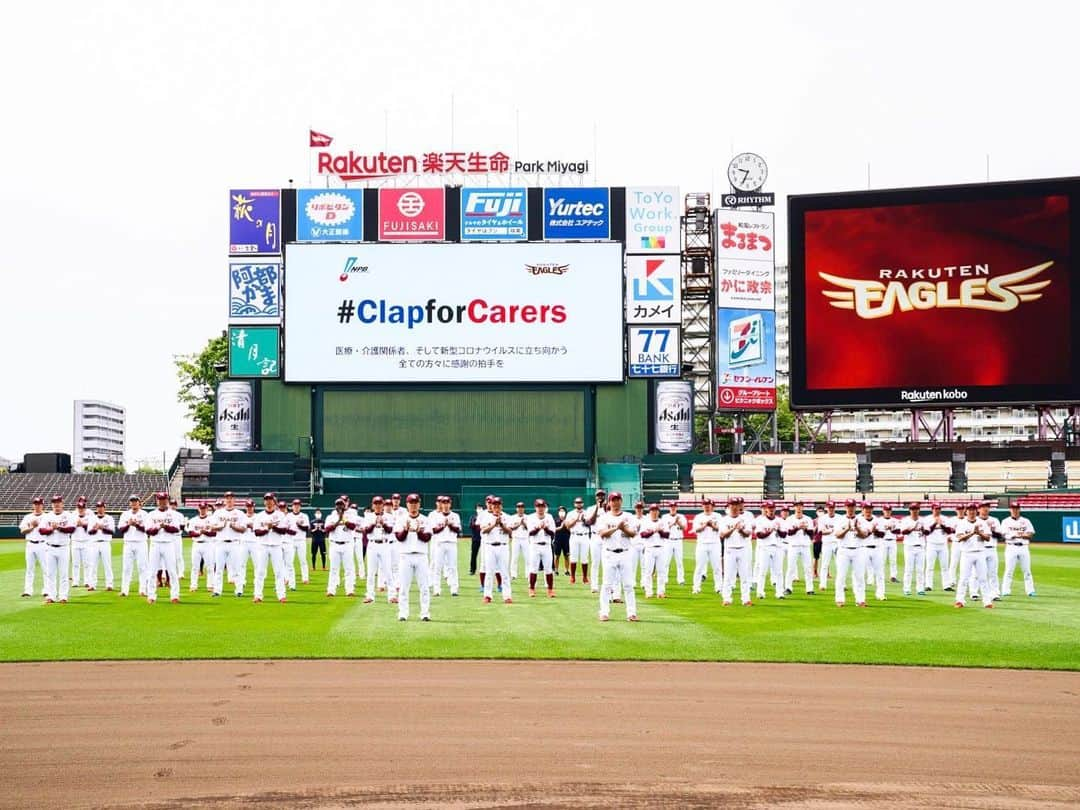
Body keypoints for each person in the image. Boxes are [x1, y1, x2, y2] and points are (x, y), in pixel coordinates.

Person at [596, 492, 638, 622]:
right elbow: (603, 533)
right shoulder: (604, 517)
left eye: (618, 499)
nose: (615, 502)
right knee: (607, 584)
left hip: (625, 552)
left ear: (621, 501)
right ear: (609, 502)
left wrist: (623, 529)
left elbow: (633, 533)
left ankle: (631, 613)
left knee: (628, 585)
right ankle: (604, 612)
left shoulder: (628, 516)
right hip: (609, 552)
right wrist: (617, 527)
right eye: (613, 500)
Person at [393, 493, 433, 621]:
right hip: (405, 555)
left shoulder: (425, 519)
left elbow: (427, 538)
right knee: (404, 587)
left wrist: (418, 531)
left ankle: (425, 613)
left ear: (419, 504)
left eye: (415, 502)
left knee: (424, 587)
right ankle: (403, 613)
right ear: (407, 504)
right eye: (411, 503)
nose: (413, 505)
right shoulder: (401, 519)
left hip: (421, 555)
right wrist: (406, 529)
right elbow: (399, 538)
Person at [953, 503, 993, 609]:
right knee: (963, 578)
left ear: (976, 511)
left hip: (980, 552)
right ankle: (960, 600)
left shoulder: (982, 523)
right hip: (967, 553)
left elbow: (988, 538)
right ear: (966, 511)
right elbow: (960, 538)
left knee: (983, 578)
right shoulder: (962, 523)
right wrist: (972, 533)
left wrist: (979, 533)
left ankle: (987, 601)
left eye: (974, 510)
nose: (972, 512)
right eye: (970, 510)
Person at [250, 492, 288, 603]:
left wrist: (273, 527)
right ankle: (258, 595)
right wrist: (267, 529)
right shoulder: (260, 515)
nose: (268, 501)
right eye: (266, 499)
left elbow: (284, 530)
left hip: (276, 546)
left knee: (279, 572)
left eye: (270, 499)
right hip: (262, 546)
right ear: (264, 501)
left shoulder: (280, 515)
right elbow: (256, 532)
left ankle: (281, 595)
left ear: (274, 501)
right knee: (260, 571)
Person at [145, 492, 182, 604]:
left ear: (167, 500)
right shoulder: (151, 514)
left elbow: (176, 529)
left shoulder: (173, 514)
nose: (162, 501)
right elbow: (148, 530)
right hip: (155, 543)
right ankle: (151, 595)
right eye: (160, 499)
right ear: (157, 501)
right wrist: (158, 527)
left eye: (164, 499)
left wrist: (165, 526)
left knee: (172, 571)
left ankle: (175, 595)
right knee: (152, 571)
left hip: (169, 543)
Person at [39, 495, 75, 604]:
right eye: (54, 502)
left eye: (58, 502)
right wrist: (51, 529)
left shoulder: (68, 515)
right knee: (50, 573)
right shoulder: (47, 516)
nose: (56, 504)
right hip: (50, 547)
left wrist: (58, 528)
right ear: (52, 504)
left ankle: (63, 596)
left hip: (63, 548)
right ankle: (51, 596)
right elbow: (41, 530)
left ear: (62, 503)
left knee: (64, 573)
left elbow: (72, 528)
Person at [479, 496, 513, 604]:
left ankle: (507, 596)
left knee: (505, 572)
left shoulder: (507, 517)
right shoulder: (486, 517)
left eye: (498, 505)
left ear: (501, 506)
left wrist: (502, 525)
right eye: (494, 505)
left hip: (503, 546)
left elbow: (510, 531)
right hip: (490, 546)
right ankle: (487, 595)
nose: (496, 507)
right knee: (489, 572)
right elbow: (483, 531)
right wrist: (494, 524)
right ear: (492, 506)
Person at [720, 497, 753, 606]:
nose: (734, 507)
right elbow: (722, 535)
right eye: (732, 505)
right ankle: (727, 598)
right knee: (728, 576)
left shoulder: (745, 519)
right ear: (728, 506)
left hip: (742, 549)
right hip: (730, 549)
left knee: (745, 575)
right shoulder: (724, 519)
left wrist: (741, 530)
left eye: (736, 505)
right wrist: (733, 528)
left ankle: (746, 599)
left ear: (739, 506)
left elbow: (748, 534)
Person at [833, 499, 866, 607]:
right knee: (841, 576)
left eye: (852, 506)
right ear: (845, 507)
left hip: (858, 549)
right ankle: (840, 599)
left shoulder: (861, 519)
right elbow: (837, 535)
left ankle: (860, 600)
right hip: (844, 550)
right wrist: (847, 529)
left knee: (859, 576)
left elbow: (864, 535)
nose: (850, 508)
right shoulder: (840, 519)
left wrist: (857, 528)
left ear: (855, 507)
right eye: (848, 506)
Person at [1000, 500, 1036, 597]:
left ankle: (1030, 590)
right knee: (1009, 570)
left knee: (1027, 570)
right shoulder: (1005, 521)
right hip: (1011, 547)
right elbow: (1004, 535)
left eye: (1016, 509)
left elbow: (1031, 533)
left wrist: (1022, 535)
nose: (1015, 510)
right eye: (1013, 509)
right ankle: (1005, 590)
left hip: (1023, 547)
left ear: (1019, 510)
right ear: (1010, 510)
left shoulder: (1025, 521)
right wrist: (1016, 534)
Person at [118, 494, 150, 598]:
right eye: (132, 501)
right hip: (128, 543)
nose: (133, 503)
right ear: (129, 503)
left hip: (141, 542)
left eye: (135, 501)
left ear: (139, 502)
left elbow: (147, 529)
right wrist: (128, 524)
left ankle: (143, 590)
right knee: (127, 568)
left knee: (142, 567)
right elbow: (121, 530)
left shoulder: (145, 514)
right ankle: (124, 590)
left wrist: (136, 525)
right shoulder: (125, 514)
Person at [429, 495, 461, 597]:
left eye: (447, 503)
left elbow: (458, 530)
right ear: (441, 504)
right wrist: (443, 525)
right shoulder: (436, 516)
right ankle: (436, 589)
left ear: (450, 504)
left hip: (451, 543)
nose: (445, 505)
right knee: (437, 567)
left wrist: (450, 525)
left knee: (453, 567)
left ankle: (454, 589)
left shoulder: (455, 515)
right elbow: (433, 530)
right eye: (444, 503)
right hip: (440, 543)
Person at [325, 497, 357, 598]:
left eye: (341, 505)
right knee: (334, 568)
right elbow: (327, 529)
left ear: (344, 506)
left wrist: (344, 519)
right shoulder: (331, 516)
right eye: (338, 505)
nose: (339, 507)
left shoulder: (350, 515)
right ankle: (331, 590)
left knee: (349, 568)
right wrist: (338, 521)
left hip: (347, 544)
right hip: (334, 544)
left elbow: (353, 526)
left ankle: (350, 590)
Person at [363, 496, 393, 603]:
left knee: (388, 571)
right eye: (376, 503)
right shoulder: (368, 516)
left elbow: (390, 530)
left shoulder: (389, 516)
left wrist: (383, 523)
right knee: (371, 572)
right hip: (372, 544)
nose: (378, 505)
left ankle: (392, 595)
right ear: (373, 505)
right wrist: (374, 523)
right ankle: (370, 595)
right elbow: (366, 531)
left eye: (380, 503)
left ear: (383, 504)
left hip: (385, 544)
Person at [753, 500, 784, 600]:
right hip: (764, 547)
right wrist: (770, 531)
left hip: (777, 547)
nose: (771, 510)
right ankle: (760, 592)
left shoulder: (779, 520)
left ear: (775, 509)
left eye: (772, 508)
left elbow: (784, 535)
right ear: (766, 509)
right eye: (769, 508)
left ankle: (779, 593)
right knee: (762, 571)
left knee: (778, 571)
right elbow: (759, 535)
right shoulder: (760, 520)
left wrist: (778, 529)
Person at [526, 499, 557, 598]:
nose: (540, 508)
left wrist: (546, 528)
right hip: (535, 545)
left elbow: (553, 533)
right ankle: (531, 588)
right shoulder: (531, 517)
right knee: (533, 568)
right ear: (535, 507)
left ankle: (550, 589)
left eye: (542, 506)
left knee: (548, 569)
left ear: (545, 507)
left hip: (546, 545)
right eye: (538, 506)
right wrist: (538, 528)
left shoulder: (549, 517)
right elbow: (530, 533)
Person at [691, 498, 723, 595]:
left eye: (708, 505)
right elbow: (695, 530)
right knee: (699, 567)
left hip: (715, 543)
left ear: (712, 506)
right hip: (702, 543)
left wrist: (712, 526)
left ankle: (719, 587)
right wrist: (705, 525)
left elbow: (721, 530)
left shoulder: (718, 516)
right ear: (702, 506)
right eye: (705, 505)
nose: (707, 506)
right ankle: (696, 587)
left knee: (717, 567)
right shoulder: (698, 517)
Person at [783, 501, 814, 596]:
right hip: (793, 545)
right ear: (794, 508)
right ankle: (788, 587)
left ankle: (809, 589)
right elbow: (789, 533)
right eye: (797, 506)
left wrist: (805, 529)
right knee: (791, 568)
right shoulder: (790, 519)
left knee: (808, 568)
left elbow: (811, 534)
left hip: (805, 545)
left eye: (800, 506)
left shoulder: (808, 519)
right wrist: (798, 527)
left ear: (803, 507)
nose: (799, 508)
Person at [639, 503, 670, 599]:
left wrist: (659, 530)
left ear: (658, 512)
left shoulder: (663, 522)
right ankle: (649, 592)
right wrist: (653, 531)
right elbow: (643, 535)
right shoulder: (646, 522)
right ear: (650, 512)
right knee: (648, 571)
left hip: (661, 548)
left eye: (656, 510)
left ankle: (661, 592)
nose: (654, 512)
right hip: (649, 548)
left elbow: (667, 535)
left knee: (661, 571)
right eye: (652, 510)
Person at [19, 497, 48, 598]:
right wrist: (32, 527)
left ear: (42, 505)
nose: (37, 506)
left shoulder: (47, 517)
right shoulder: (27, 517)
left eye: (39, 504)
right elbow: (22, 531)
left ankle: (46, 590)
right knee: (29, 569)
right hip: (30, 544)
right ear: (33, 505)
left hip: (43, 544)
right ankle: (28, 590)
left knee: (46, 568)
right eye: (35, 504)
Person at [974, 501, 1001, 601]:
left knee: (993, 572)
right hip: (979, 549)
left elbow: (1000, 535)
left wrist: (991, 530)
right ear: (978, 509)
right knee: (976, 573)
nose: (985, 509)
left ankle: (994, 593)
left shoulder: (995, 520)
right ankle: (974, 592)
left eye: (987, 507)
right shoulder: (974, 520)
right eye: (983, 507)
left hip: (992, 548)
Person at [923, 502, 953, 592]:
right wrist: (935, 523)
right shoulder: (927, 519)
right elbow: (926, 532)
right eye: (935, 509)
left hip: (943, 545)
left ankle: (946, 585)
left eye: (938, 509)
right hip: (931, 544)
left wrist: (942, 524)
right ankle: (928, 585)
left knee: (945, 566)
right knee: (929, 566)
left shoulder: (945, 519)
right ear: (932, 509)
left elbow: (949, 531)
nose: (937, 510)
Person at [87, 500, 116, 591]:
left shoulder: (109, 518)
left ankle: (109, 584)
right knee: (92, 565)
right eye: (98, 507)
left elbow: (112, 531)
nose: (100, 509)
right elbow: (89, 532)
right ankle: (92, 584)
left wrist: (102, 527)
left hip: (105, 542)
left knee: (107, 564)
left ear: (104, 508)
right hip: (94, 543)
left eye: (101, 507)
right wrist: (95, 529)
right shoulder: (92, 518)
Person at [860, 501, 886, 601]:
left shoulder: (878, 520)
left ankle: (880, 593)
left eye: (869, 508)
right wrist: (870, 531)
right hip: (863, 548)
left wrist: (874, 530)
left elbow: (882, 534)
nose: (868, 510)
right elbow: (859, 535)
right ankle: (861, 595)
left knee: (880, 573)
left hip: (877, 548)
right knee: (861, 573)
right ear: (863, 509)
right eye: (866, 508)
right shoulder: (859, 520)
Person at [898, 502, 926, 596]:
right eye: (913, 509)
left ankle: (920, 589)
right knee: (908, 569)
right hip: (909, 547)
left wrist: (923, 530)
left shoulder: (923, 520)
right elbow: (903, 532)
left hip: (920, 546)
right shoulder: (905, 520)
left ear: (919, 510)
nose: (914, 511)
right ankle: (907, 589)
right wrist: (911, 528)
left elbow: (927, 532)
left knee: (920, 570)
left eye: (916, 509)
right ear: (910, 510)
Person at [583, 489, 607, 594]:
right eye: (598, 496)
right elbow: (589, 522)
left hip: (606, 537)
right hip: (595, 537)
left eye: (602, 495)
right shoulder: (591, 508)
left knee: (607, 563)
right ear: (595, 497)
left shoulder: (609, 508)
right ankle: (594, 585)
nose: (600, 497)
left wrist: (604, 508)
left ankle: (607, 585)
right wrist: (597, 508)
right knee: (595, 562)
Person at [187, 501, 213, 593]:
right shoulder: (194, 520)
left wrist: (205, 532)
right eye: (201, 508)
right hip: (197, 543)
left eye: (204, 508)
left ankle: (210, 585)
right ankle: (193, 585)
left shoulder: (211, 519)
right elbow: (190, 533)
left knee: (210, 566)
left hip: (208, 544)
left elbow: (214, 533)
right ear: (198, 509)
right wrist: (198, 533)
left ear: (207, 509)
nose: (203, 510)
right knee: (195, 566)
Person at [659, 501, 687, 586]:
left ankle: (681, 579)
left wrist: (678, 522)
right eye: (671, 506)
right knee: (666, 561)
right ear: (669, 508)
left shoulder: (681, 516)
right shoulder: (665, 517)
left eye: (674, 506)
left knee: (679, 562)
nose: (673, 508)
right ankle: (664, 579)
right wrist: (674, 522)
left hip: (678, 540)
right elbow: (664, 529)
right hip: (668, 540)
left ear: (676, 508)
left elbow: (684, 528)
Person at [563, 497, 590, 584]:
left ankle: (585, 577)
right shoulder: (570, 513)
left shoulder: (587, 513)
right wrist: (576, 519)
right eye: (577, 502)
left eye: (580, 502)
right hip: (574, 536)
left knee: (584, 558)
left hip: (584, 536)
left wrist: (583, 520)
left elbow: (590, 524)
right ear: (574, 504)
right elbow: (567, 526)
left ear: (583, 503)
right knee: (573, 558)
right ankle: (572, 577)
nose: (579, 504)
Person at [69, 496, 94, 588]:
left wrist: (83, 524)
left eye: (82, 507)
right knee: (75, 563)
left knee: (87, 563)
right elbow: (69, 528)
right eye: (79, 507)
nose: (80, 509)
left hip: (86, 541)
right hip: (75, 541)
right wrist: (76, 524)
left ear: (85, 507)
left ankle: (87, 581)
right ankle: (75, 581)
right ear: (77, 507)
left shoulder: (89, 515)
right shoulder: (72, 515)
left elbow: (92, 528)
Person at [815, 500, 838, 589]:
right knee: (825, 564)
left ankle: (841, 584)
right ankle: (822, 584)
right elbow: (822, 532)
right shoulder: (822, 518)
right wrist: (831, 531)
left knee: (839, 564)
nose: (831, 509)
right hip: (827, 543)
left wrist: (828, 530)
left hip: (837, 543)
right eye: (829, 507)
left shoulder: (840, 518)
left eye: (832, 507)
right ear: (827, 508)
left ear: (834, 508)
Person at [290, 499, 311, 585]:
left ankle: (305, 578)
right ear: (292, 506)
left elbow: (307, 528)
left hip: (301, 540)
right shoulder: (288, 516)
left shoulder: (304, 516)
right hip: (290, 540)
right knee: (289, 561)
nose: (296, 506)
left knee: (303, 560)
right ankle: (288, 578)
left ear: (300, 506)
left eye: (298, 505)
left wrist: (299, 525)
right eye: (295, 505)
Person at [508, 501, 530, 581]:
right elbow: (510, 528)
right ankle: (513, 574)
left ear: (524, 509)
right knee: (514, 557)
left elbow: (530, 529)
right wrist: (519, 524)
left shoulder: (528, 517)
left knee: (528, 558)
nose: (520, 509)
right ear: (516, 509)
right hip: (516, 539)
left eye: (522, 507)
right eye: (519, 507)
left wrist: (524, 524)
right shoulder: (512, 517)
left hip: (525, 539)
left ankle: (528, 574)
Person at [880, 503, 900, 583]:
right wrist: (886, 528)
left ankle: (893, 576)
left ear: (891, 511)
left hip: (892, 541)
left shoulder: (895, 520)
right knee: (882, 560)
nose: (887, 512)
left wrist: (891, 528)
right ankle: (881, 576)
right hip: (883, 541)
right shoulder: (880, 520)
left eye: (889, 510)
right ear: (883, 511)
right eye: (886, 510)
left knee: (893, 560)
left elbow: (899, 531)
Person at [168, 497, 186, 582]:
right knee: (168, 556)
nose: (172, 506)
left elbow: (182, 527)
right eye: (171, 504)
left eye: (174, 504)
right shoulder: (166, 514)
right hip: (168, 536)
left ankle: (181, 572)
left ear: (176, 506)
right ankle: (167, 573)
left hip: (177, 536)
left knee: (178, 555)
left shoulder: (179, 515)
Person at [552, 505, 571, 576]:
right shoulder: (555, 520)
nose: (562, 512)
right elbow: (553, 529)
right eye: (560, 511)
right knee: (557, 556)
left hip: (566, 540)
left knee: (566, 555)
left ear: (566, 512)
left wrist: (567, 525)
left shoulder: (568, 520)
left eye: (563, 511)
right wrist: (560, 527)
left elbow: (571, 530)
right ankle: (556, 570)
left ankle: (566, 570)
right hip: (557, 539)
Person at [468, 502, 484, 576]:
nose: (479, 509)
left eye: (480, 508)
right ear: (476, 509)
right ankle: (472, 569)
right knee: (474, 554)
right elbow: (471, 526)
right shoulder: (473, 517)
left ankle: (485, 570)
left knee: (485, 555)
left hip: (484, 539)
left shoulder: (485, 517)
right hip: (475, 538)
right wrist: (477, 521)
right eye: (478, 508)